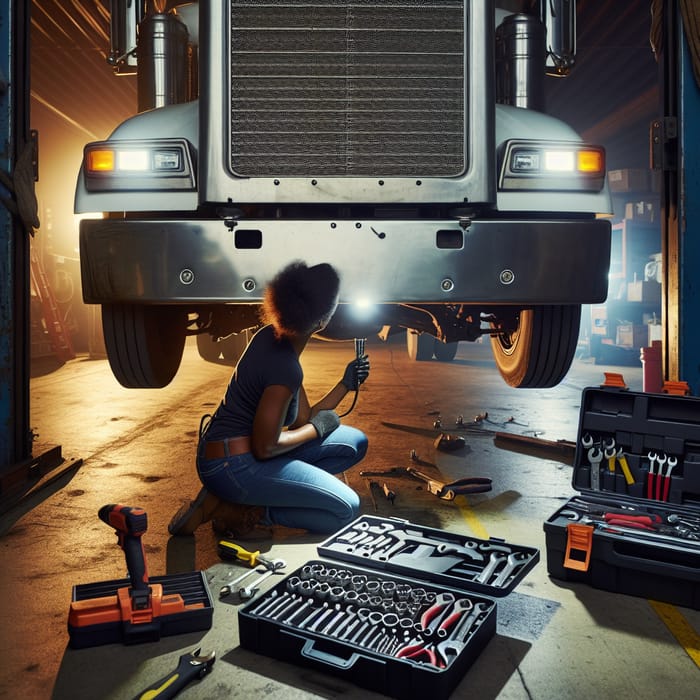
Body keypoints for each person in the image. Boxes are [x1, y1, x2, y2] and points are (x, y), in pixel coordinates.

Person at [169, 261, 370, 538]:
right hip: (234, 465)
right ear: (323, 322)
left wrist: (346, 384)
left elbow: (302, 417)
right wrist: (317, 429)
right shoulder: (285, 368)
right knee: (346, 509)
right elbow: (267, 446)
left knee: (354, 443)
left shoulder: (272, 337)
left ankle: (234, 497)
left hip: (232, 454)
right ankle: (245, 512)